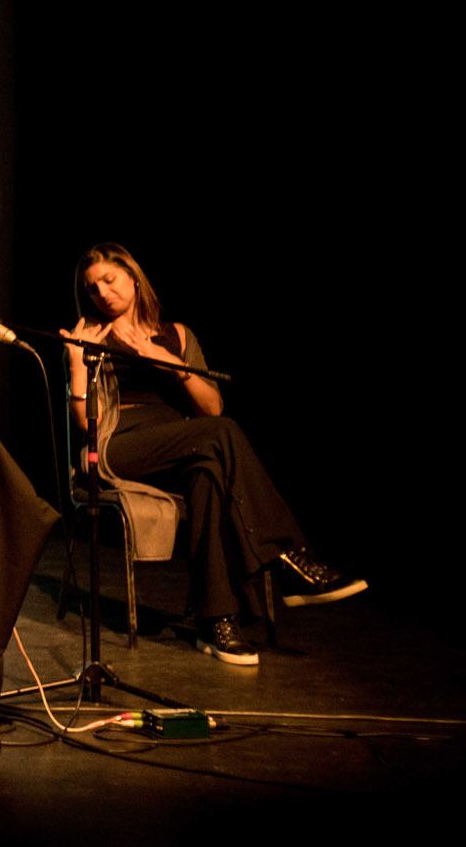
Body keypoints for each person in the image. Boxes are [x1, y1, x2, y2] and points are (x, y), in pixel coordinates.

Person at [64, 243, 365, 666]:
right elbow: (84, 423)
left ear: (133, 277)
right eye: (92, 289)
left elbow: (212, 407)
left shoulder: (178, 334)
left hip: (183, 443)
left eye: (109, 281)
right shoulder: (90, 337)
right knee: (219, 436)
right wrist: (78, 365)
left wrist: (169, 362)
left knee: (208, 472)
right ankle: (286, 556)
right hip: (119, 443)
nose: (102, 293)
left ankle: (217, 622)